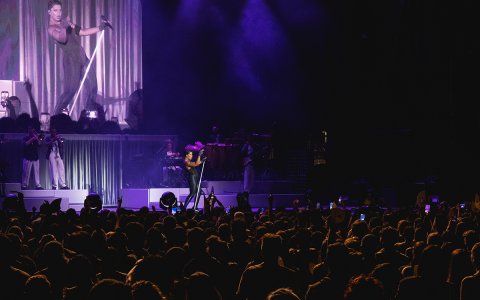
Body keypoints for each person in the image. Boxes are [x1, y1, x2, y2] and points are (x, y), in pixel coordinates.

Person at [47, 0, 111, 119]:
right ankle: (55, 119)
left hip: (82, 57)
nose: (58, 13)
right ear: (49, 12)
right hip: (71, 61)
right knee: (70, 91)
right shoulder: (51, 28)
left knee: (93, 88)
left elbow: (82, 31)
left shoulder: (66, 23)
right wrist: (65, 26)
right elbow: (62, 38)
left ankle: (88, 119)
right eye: (55, 10)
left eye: (60, 10)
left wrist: (100, 27)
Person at [21, 125, 44, 190]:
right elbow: (26, 144)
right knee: (26, 172)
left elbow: (40, 144)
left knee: (37, 172)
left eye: (33, 130)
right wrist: (33, 138)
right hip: (28, 156)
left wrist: (37, 138)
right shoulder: (25, 138)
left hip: (35, 156)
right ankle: (24, 185)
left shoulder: (36, 138)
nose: (32, 131)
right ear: (28, 131)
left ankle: (38, 185)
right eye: (30, 130)